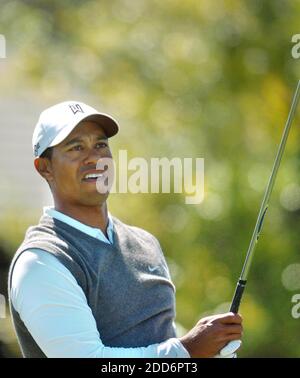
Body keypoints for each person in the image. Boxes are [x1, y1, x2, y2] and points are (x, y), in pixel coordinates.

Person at [8, 101, 243, 358]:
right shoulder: (41, 261)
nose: (95, 158)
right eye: (76, 148)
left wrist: (212, 349)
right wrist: (187, 350)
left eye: (100, 145)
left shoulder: (145, 243)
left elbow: (164, 345)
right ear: (45, 168)